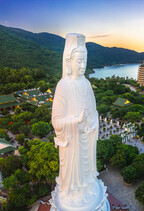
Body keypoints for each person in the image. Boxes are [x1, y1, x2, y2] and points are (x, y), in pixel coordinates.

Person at [52, 33, 99, 200]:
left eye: (85, 61)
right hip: (72, 142)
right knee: (73, 171)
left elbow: (93, 112)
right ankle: (72, 190)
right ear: (69, 62)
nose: (82, 66)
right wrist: (75, 121)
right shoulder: (63, 85)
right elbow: (56, 121)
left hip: (86, 137)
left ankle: (87, 185)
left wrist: (91, 123)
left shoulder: (86, 83)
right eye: (79, 61)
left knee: (86, 171)